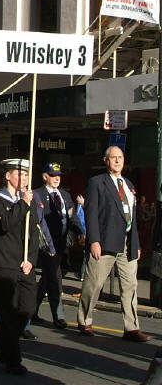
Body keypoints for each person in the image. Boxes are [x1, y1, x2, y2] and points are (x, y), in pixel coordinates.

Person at [78, 146, 151, 342]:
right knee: (94, 284)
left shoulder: (128, 184)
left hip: (127, 243)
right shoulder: (97, 182)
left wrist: (135, 242)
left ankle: (132, 328)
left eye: (120, 157)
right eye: (113, 158)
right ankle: (85, 320)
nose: (118, 161)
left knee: (130, 286)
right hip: (104, 242)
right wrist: (94, 240)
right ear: (106, 160)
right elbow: (91, 213)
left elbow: (132, 216)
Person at [0, 158, 39, 375]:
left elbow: (34, 234)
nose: (24, 179)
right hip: (3, 264)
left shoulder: (29, 200)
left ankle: (4, 338)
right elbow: (5, 224)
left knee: (27, 309)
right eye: (19, 174)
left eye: (26, 175)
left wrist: (31, 260)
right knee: (7, 313)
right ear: (8, 176)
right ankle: (13, 361)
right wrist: (22, 203)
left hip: (24, 265)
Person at [32, 162, 84, 329]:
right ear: (45, 176)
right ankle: (58, 316)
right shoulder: (37, 194)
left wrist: (80, 232)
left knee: (48, 277)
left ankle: (31, 310)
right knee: (54, 278)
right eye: (53, 175)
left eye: (59, 176)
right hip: (46, 244)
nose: (56, 179)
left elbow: (72, 217)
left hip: (61, 244)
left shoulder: (65, 195)